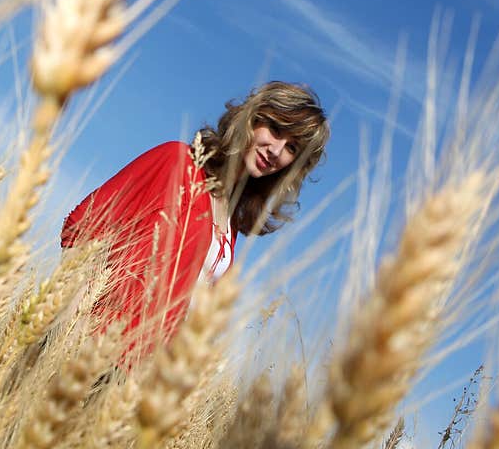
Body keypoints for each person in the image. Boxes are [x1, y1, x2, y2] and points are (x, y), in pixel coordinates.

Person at [60, 81, 330, 367]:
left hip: (138, 380)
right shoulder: (176, 161)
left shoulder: (231, 225)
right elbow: (82, 229)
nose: (276, 150)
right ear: (252, 118)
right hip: (91, 351)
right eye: (275, 130)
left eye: (292, 148)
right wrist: (71, 331)